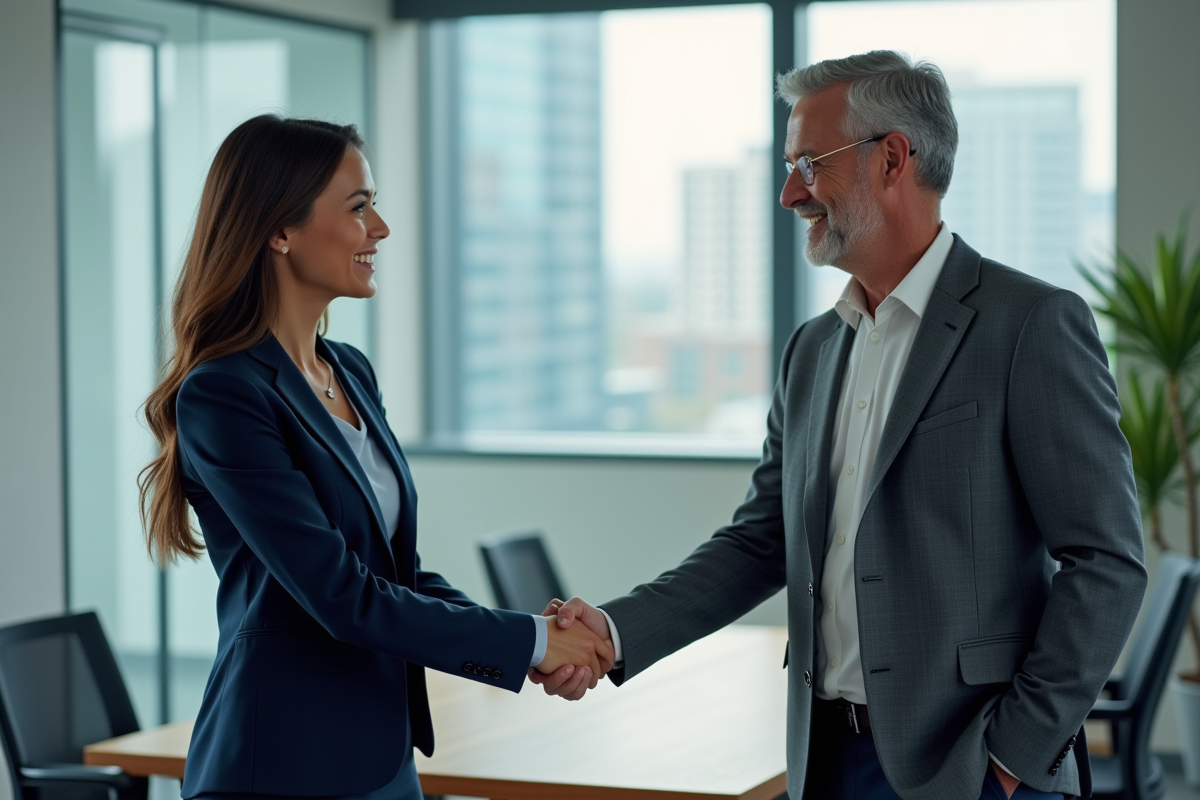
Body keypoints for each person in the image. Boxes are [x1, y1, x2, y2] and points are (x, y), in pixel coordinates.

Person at [532, 51, 1147, 800]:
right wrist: (615, 630)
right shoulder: (813, 349)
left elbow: (1107, 560)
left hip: (970, 766)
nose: (790, 193)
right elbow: (761, 541)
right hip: (824, 757)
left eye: (808, 164)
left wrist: (1014, 756)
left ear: (892, 158)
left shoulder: (1031, 326)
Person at [138, 115, 612, 800]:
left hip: (382, 753)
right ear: (279, 230)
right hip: (282, 763)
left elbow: (396, 572)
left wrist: (530, 638)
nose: (381, 229)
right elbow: (341, 595)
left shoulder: (348, 371)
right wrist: (532, 645)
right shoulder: (224, 394)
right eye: (359, 209)